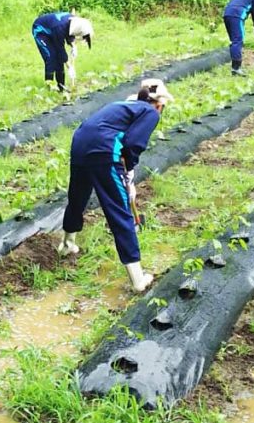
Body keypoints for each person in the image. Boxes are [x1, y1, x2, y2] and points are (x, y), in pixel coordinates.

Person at [58, 78, 174, 293]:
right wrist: (127, 174)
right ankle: (138, 280)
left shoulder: (123, 106)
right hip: (103, 151)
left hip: (80, 145)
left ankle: (66, 245)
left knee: (77, 198)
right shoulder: (150, 113)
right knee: (119, 212)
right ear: (159, 104)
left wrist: (126, 172)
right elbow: (133, 144)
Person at [31, 12, 93, 92]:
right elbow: (60, 49)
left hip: (53, 31)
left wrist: (73, 46)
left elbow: (69, 33)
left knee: (60, 60)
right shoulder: (59, 27)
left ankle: (61, 87)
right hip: (41, 31)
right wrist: (69, 67)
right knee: (51, 57)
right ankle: (49, 87)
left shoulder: (73, 22)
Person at [222, 0, 254, 75]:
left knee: (234, 41)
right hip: (237, 15)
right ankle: (236, 68)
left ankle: (235, 65)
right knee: (238, 40)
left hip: (227, 14)